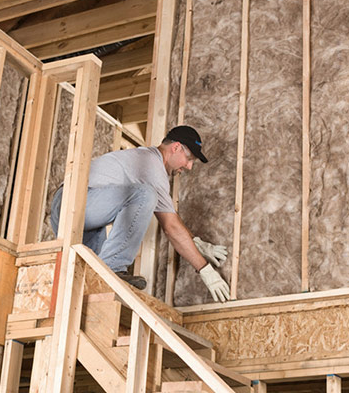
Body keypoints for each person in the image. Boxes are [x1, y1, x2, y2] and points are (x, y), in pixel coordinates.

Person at [50, 125, 231, 302]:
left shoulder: (148, 162)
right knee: (145, 195)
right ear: (176, 148)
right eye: (189, 159)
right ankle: (114, 267)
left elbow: (172, 219)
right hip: (73, 201)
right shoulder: (151, 165)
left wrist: (197, 244)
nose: (189, 166)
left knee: (92, 282)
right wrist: (206, 271)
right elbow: (171, 226)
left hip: (83, 213)